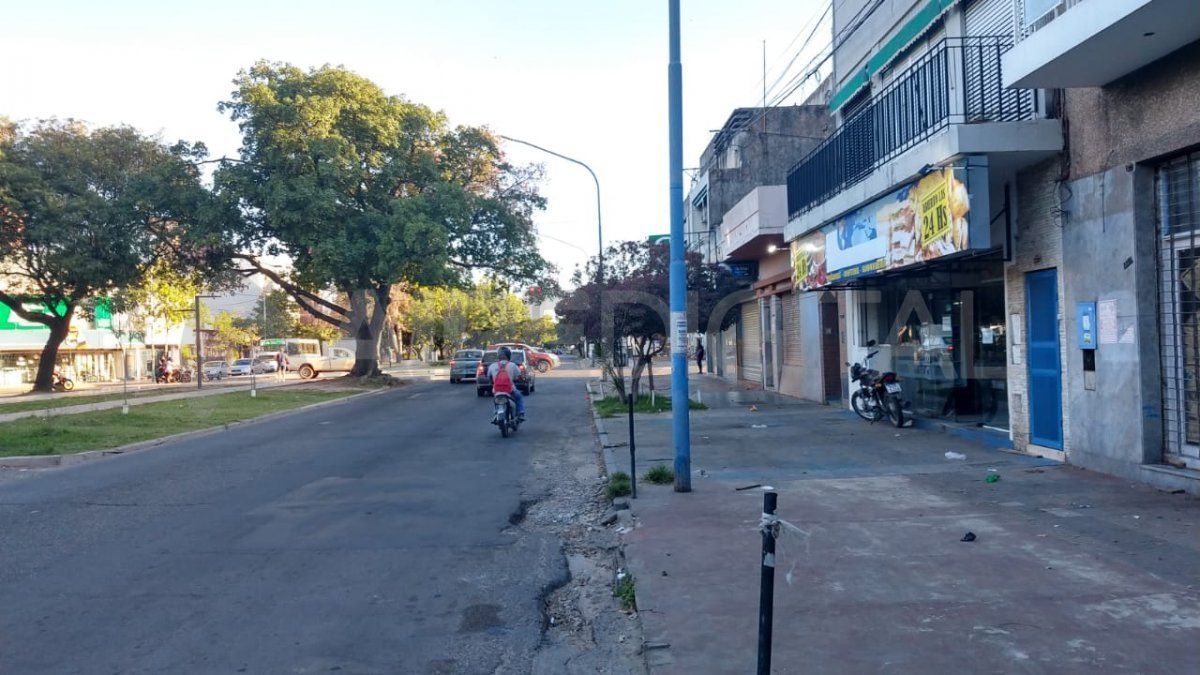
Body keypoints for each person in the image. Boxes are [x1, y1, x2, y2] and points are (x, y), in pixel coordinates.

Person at [487, 346, 525, 421]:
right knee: (519, 397)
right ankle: (520, 413)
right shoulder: (513, 365)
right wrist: (521, 380)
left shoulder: (492, 366)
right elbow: (519, 377)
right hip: (510, 389)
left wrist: (493, 384)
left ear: (498, 356)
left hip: (496, 390)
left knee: (496, 400)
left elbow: (490, 378)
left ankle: (495, 414)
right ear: (509, 356)